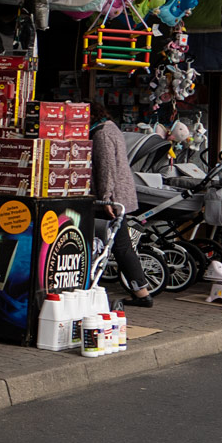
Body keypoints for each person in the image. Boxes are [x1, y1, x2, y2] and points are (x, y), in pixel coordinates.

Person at [90, 105, 153, 308]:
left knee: (116, 245)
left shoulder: (101, 134)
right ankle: (141, 292)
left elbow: (106, 167)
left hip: (110, 200)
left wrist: (107, 197)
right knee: (121, 245)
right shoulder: (112, 128)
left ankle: (140, 293)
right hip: (118, 197)